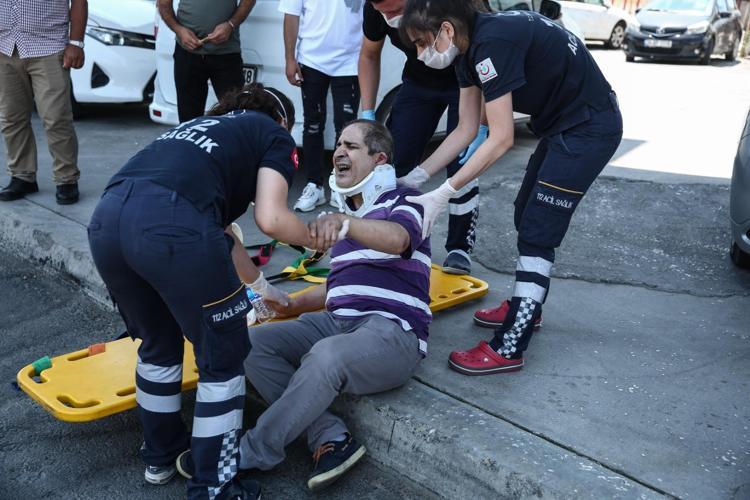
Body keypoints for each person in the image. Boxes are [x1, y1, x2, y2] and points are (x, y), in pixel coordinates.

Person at [174, 120, 430, 492]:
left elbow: (399, 239)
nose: (339, 151)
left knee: (326, 356)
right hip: (338, 322)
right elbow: (337, 288)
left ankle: (252, 451)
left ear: (380, 160)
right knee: (248, 344)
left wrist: (346, 223)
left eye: (351, 146)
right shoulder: (346, 219)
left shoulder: (405, 200)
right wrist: (289, 304)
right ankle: (330, 436)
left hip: (393, 332)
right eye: (337, 144)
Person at [88, 83, 309, 500]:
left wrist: (260, 287)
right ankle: (215, 485)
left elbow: (223, 234)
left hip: (108, 220)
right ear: (282, 120)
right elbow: (272, 219)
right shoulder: (272, 133)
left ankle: (160, 456)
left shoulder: (197, 131)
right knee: (223, 359)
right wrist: (319, 239)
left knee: (158, 345)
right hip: (172, 226)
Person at [399, 1, 623, 374]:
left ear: (446, 30)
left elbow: (501, 137)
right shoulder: (468, 51)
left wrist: (444, 192)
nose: (421, 54)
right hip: (562, 125)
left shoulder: (492, 44)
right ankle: (527, 304)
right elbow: (466, 128)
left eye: (422, 42)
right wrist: (417, 177)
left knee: (538, 230)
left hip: (589, 128)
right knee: (525, 212)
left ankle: (510, 345)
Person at [359, 0, 487, 275]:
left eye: (394, 11)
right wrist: (368, 112)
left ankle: (459, 247)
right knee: (394, 161)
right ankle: (393, 234)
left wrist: (483, 124)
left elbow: (486, 57)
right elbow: (369, 54)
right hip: (418, 84)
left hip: (465, 82)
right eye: (382, 12)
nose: (388, 17)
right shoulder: (376, 8)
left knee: (462, 164)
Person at [0, 0, 87, 205]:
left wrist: (76, 43)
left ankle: (66, 179)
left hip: (48, 47)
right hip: (4, 46)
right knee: (11, 117)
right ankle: (22, 176)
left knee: (56, 117)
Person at [280, 0, 364, 212]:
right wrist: (289, 58)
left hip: (351, 61)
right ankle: (314, 186)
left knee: (346, 128)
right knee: (312, 124)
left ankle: (340, 186)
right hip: (311, 59)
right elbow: (291, 14)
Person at [158, 0, 256, 123]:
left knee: (237, 115)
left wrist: (231, 24)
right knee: (188, 120)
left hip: (226, 54)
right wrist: (179, 30)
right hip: (187, 54)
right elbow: (163, 4)